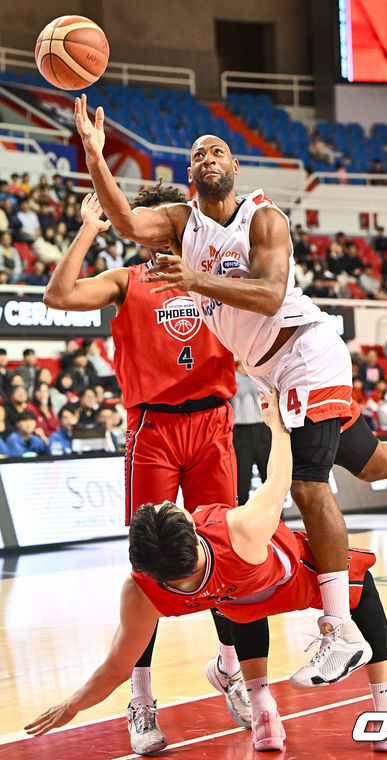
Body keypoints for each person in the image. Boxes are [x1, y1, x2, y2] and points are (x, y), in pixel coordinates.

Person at [75, 91, 387, 653]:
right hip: (275, 370)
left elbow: (267, 296)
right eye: (198, 154)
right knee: (372, 460)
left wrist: (195, 283)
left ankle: (338, 629)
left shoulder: (264, 218)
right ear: (190, 173)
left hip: (303, 353)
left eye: (217, 150)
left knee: (311, 485)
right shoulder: (179, 223)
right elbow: (122, 220)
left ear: (235, 167)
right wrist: (95, 154)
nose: (208, 157)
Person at [25, 391, 387, 754]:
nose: (171, 502)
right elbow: (280, 477)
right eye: (170, 507)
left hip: (235, 603)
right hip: (289, 581)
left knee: (237, 607)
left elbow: (114, 668)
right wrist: (276, 425)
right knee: (360, 583)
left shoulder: (143, 591)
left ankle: (263, 713)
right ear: (187, 524)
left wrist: (73, 705)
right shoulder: (240, 530)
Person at [44, 188, 264, 754]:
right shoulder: (125, 281)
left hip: (214, 423)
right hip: (155, 428)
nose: (158, 228)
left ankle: (231, 668)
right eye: (145, 221)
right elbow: (58, 294)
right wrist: (90, 226)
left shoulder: (216, 276)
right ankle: (140, 698)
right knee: (149, 563)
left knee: (227, 553)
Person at [231, 360, 271, 507]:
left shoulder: (260, 374)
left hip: (263, 430)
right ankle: (242, 523)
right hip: (240, 433)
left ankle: (278, 522)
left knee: (270, 480)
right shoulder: (232, 376)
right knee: (242, 482)